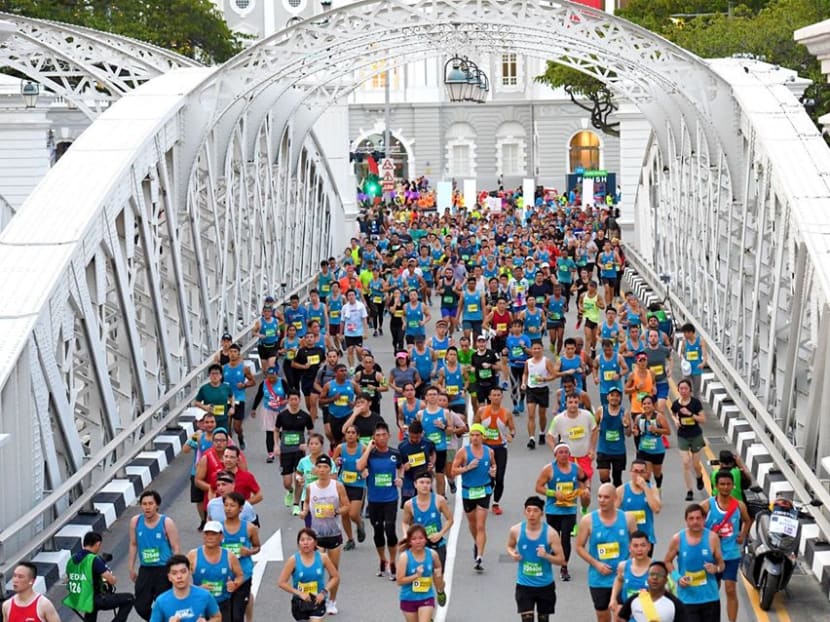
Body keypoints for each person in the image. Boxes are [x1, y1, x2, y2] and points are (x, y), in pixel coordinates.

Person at [575, 483, 637, 622]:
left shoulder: (628, 518)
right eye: (599, 497)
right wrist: (596, 564)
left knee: (621, 616)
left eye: (606, 497)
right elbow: (579, 547)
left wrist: (628, 564)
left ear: (615, 499)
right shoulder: (588, 520)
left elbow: (637, 543)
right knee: (603, 618)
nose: (602, 500)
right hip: (599, 579)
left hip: (622, 577)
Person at [302, 455, 350, 616]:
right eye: (319, 467)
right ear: (315, 469)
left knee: (333, 571)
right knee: (318, 569)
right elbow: (307, 502)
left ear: (330, 470)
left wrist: (336, 511)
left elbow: (346, 506)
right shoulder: (311, 487)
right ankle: (318, 598)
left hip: (334, 533)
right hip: (317, 534)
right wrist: (304, 511)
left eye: (325, 467)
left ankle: (332, 601)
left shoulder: (338, 486)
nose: (322, 470)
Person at [700, 471, 751, 622]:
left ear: (732, 485)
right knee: (712, 591)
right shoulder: (707, 505)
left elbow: (747, 520)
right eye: (722, 484)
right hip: (712, 556)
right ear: (716, 486)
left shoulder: (739, 506)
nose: (725, 487)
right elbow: (695, 524)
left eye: (728, 484)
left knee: (730, 589)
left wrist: (742, 534)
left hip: (731, 554)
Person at [506, 496, 566, 622]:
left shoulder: (551, 534)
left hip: (545, 585)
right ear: (524, 512)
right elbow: (509, 546)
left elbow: (561, 560)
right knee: (527, 619)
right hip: (524, 585)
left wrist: (547, 556)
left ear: (542, 513)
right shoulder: (515, 530)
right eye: (528, 510)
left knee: (543, 619)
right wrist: (513, 553)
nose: (532, 514)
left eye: (535, 511)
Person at [357, 421, 404, 579]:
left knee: (390, 530)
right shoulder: (369, 454)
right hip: (374, 499)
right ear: (373, 438)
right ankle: (382, 560)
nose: (381, 438)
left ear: (389, 436)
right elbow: (359, 466)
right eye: (378, 435)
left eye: (384, 435)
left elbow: (401, 467)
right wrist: (369, 447)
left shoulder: (394, 453)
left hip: (390, 498)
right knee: (378, 531)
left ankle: (392, 562)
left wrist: (400, 478)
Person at [535, 443, 589, 582]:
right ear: (555, 455)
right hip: (553, 509)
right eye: (561, 452)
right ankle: (551, 555)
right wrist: (553, 493)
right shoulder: (548, 470)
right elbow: (538, 487)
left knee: (565, 538)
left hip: (569, 509)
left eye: (566, 452)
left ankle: (564, 567)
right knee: (554, 538)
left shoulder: (576, 469)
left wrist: (584, 490)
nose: (564, 455)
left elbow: (584, 479)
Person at [663, 504, 724, 622]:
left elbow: (721, 564)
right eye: (691, 518)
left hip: (710, 597)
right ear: (686, 520)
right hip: (687, 599)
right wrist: (677, 578)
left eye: (698, 518)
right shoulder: (678, 539)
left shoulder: (712, 538)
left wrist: (715, 569)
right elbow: (667, 561)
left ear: (704, 519)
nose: (695, 522)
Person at [128, 490, 181, 621]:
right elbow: (133, 544)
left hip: (163, 569)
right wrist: (131, 567)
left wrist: (176, 570)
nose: (147, 507)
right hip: (145, 569)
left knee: (165, 604)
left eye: (151, 503)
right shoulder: (135, 521)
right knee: (140, 605)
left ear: (157, 505)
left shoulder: (166, 522)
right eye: (144, 504)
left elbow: (175, 547)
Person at [452, 423, 497, 572]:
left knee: (480, 525)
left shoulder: (489, 452)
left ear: (483, 437)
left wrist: (493, 472)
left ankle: (479, 557)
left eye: (478, 435)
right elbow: (453, 471)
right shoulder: (463, 452)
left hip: (484, 490)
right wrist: (467, 468)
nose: (475, 438)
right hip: (468, 491)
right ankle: (477, 543)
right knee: (472, 524)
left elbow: (493, 466)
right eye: (472, 435)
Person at [64, 531, 135, 622]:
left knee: (91, 608)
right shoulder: (93, 559)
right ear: (98, 544)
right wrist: (111, 577)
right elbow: (112, 580)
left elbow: (67, 580)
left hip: (77, 598)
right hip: (94, 599)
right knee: (129, 598)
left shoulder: (72, 559)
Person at [186, 521, 245, 622]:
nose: (209, 537)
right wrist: (197, 589)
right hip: (200, 605)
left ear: (221, 536)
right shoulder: (193, 555)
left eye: (213, 534)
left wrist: (235, 584)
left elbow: (240, 575)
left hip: (222, 604)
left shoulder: (229, 556)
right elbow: (181, 579)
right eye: (207, 534)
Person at [278, 529, 339, 622]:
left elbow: (335, 577)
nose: (305, 543)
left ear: (315, 543)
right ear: (298, 544)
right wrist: (299, 593)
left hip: (318, 601)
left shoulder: (323, 557)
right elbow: (281, 583)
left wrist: (324, 592)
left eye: (309, 539)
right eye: (302, 540)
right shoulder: (293, 560)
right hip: (300, 603)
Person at [474, 386, 516, 515]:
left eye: (499, 395)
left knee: (499, 477)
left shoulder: (506, 413)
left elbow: (512, 429)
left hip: (500, 448)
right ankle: (483, 500)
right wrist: (479, 436)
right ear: (489, 397)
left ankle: (496, 503)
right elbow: (475, 427)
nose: (496, 397)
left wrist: (511, 435)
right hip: (485, 448)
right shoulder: (481, 411)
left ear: (502, 397)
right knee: (487, 476)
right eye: (494, 395)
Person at [221, 491, 260, 622]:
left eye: (232, 505)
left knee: (237, 616)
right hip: (223, 577)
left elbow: (257, 546)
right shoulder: (218, 529)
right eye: (226, 505)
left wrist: (249, 551)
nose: (228, 509)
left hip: (243, 575)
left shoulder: (249, 528)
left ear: (241, 508)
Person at [401, 472, 453, 569]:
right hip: (419, 545)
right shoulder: (409, 504)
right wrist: (406, 534)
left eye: (428, 483)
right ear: (415, 484)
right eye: (422, 482)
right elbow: (405, 522)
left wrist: (440, 534)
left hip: (437, 544)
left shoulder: (439, 500)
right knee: (421, 577)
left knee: (438, 576)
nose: (425, 485)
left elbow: (450, 519)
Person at [396, 524, 447, 621]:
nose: (418, 542)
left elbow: (438, 567)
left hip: (426, 596)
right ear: (409, 541)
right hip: (408, 598)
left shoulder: (432, 554)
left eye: (421, 538)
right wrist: (416, 576)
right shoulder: (405, 557)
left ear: (426, 539)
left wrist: (438, 574)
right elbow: (399, 581)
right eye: (414, 539)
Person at [148, 555, 221, 622]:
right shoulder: (161, 601)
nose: (179, 576)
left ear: (189, 573)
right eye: (174, 573)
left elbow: (217, 617)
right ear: (169, 577)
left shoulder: (205, 595)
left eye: (183, 572)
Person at [275, 390, 314, 508]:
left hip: (299, 451)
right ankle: (290, 491)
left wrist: (307, 445)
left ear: (299, 400)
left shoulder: (305, 416)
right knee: (287, 482)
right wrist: (276, 445)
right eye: (291, 399)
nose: (293, 402)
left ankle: (296, 504)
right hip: (285, 451)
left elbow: (311, 432)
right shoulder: (282, 415)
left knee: (298, 479)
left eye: (295, 399)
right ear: (288, 400)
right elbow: (276, 430)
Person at [332, 424, 368, 549]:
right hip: (343, 485)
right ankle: (350, 539)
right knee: (345, 513)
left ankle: (359, 523)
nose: (350, 435)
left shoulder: (362, 448)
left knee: (353, 513)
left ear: (358, 436)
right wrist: (336, 463)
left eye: (353, 433)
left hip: (358, 484)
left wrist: (365, 470)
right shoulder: (340, 448)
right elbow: (333, 463)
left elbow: (368, 463)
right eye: (348, 432)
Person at [617, 561, 688, 622]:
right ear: (647, 578)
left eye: (659, 575)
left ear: (666, 580)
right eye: (652, 574)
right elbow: (620, 618)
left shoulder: (676, 604)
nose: (655, 578)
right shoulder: (634, 599)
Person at [671, 379, 706, 501]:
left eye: (686, 388)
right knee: (686, 463)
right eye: (681, 389)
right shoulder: (675, 404)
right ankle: (689, 490)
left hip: (695, 435)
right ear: (678, 390)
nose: (683, 391)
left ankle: (699, 476)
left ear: (690, 390)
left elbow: (703, 419)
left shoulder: (696, 403)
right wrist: (676, 421)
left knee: (696, 465)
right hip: (682, 436)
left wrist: (690, 414)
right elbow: (674, 414)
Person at [617, 461, 661, 556]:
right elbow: (612, 514)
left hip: (646, 538)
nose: (638, 474)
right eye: (636, 471)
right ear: (631, 472)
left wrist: (645, 488)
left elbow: (656, 508)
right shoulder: (621, 490)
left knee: (644, 568)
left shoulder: (652, 489)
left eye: (642, 472)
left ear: (647, 474)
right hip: (627, 539)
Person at [183, 411, 216, 531]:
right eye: (204, 422)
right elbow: (185, 450)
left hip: (214, 472)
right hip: (197, 472)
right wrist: (193, 439)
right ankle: (203, 520)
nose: (207, 425)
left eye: (211, 422)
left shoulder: (219, 437)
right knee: (199, 499)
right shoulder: (198, 436)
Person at [609, 531, 653, 617]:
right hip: (628, 613)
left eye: (643, 545)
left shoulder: (656, 569)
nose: (639, 549)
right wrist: (613, 598)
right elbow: (619, 580)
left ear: (649, 547)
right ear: (629, 548)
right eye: (635, 546)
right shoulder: (623, 566)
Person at [522, 342, 556, 449]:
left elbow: (553, 375)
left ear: (542, 349)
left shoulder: (546, 361)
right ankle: (531, 438)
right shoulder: (528, 362)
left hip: (543, 390)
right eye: (534, 349)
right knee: (531, 415)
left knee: (542, 415)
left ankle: (542, 432)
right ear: (531, 350)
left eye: (538, 348)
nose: (536, 350)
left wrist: (544, 379)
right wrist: (524, 382)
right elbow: (526, 373)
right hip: (531, 389)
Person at [251, 366, 288, 463]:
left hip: (281, 409)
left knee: (282, 432)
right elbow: (259, 395)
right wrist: (254, 408)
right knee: (270, 432)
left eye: (273, 376)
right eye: (269, 376)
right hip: (268, 409)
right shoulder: (264, 384)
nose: (271, 379)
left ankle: (284, 451)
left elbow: (289, 394)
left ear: (277, 375)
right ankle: (270, 453)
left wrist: (285, 401)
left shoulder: (282, 382)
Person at [397, 420, 437, 508]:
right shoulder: (402, 447)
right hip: (409, 479)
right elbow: (399, 466)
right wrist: (404, 467)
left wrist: (432, 464)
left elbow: (433, 453)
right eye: (412, 437)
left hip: (424, 477)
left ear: (421, 434)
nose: (414, 439)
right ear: (409, 433)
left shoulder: (428, 443)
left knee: (427, 503)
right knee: (409, 504)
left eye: (417, 437)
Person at [595, 387, 629, 487]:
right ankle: (608, 491)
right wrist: (597, 428)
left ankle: (616, 497)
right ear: (608, 397)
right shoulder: (601, 410)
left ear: (620, 398)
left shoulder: (624, 412)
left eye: (617, 396)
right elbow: (594, 425)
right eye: (612, 395)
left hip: (619, 450)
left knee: (617, 479)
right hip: (604, 449)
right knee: (604, 477)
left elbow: (628, 433)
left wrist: (626, 426)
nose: (614, 398)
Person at [223, 343, 255, 448]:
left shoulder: (244, 368)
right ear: (228, 354)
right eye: (231, 352)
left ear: (238, 354)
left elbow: (252, 382)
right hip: (226, 399)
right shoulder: (224, 368)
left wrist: (244, 385)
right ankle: (230, 446)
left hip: (239, 399)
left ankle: (240, 437)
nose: (232, 354)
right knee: (227, 426)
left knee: (237, 427)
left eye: (235, 352)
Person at [633, 396, 670, 489]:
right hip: (644, 450)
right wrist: (636, 433)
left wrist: (656, 429)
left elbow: (668, 431)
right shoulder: (638, 418)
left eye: (649, 403)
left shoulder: (659, 417)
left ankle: (658, 487)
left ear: (653, 405)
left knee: (657, 474)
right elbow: (635, 431)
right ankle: (647, 494)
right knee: (646, 474)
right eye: (644, 404)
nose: (646, 406)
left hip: (657, 451)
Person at [194, 364, 235, 433]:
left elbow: (231, 397)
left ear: (221, 376)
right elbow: (196, 402)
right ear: (209, 375)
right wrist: (205, 407)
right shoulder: (204, 388)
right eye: (212, 374)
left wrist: (232, 407)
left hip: (223, 420)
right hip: (209, 421)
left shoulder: (226, 387)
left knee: (222, 440)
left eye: (217, 373)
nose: (215, 376)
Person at [342, 288, 369, 369]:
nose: (351, 297)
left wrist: (366, 332)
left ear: (355, 296)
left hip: (358, 332)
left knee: (359, 350)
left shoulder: (360, 306)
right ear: (347, 297)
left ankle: (360, 362)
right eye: (349, 295)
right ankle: (351, 367)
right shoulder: (345, 307)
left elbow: (364, 319)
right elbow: (342, 321)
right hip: (348, 332)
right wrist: (341, 333)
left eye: (352, 295)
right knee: (349, 350)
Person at [680, 323, 708, 399]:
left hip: (696, 369)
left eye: (686, 333)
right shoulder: (685, 341)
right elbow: (681, 354)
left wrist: (703, 363)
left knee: (696, 390)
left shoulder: (700, 341)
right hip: (687, 369)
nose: (685, 335)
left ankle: (696, 406)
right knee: (685, 388)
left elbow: (705, 354)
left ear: (691, 332)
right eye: (684, 333)